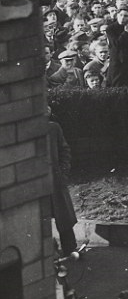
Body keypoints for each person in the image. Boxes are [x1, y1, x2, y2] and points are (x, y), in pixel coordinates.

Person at [47, 107, 78, 255]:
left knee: (63, 215)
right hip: (35, 183)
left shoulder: (53, 128)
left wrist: (63, 172)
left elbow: (64, 150)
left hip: (55, 179)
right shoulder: (25, 132)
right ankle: (47, 252)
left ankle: (70, 247)